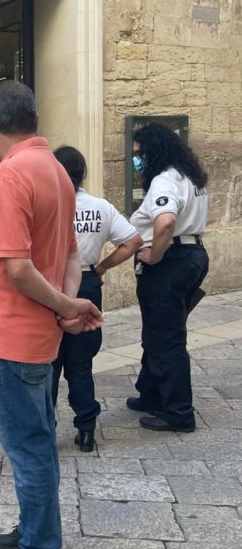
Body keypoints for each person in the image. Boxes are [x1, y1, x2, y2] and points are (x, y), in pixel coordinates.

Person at [0, 80, 102, 549]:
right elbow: (68, 256)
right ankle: (32, 530)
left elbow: (17, 268)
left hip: (11, 334)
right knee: (36, 440)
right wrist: (66, 310)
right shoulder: (58, 172)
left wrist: (65, 308)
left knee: (29, 449)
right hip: (32, 333)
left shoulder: (14, 172)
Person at [51, 146, 142, 452]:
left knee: (48, 362)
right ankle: (86, 427)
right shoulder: (100, 207)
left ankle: (45, 429)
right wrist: (102, 266)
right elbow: (133, 240)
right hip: (88, 280)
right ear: (83, 174)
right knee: (80, 363)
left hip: (51, 285)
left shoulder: (49, 204)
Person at [126, 123, 209, 432]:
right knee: (161, 329)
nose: (136, 159)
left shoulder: (164, 180)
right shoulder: (190, 176)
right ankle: (150, 392)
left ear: (153, 150)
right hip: (193, 255)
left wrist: (155, 255)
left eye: (139, 153)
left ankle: (177, 411)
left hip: (170, 261)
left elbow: (165, 222)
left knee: (167, 338)